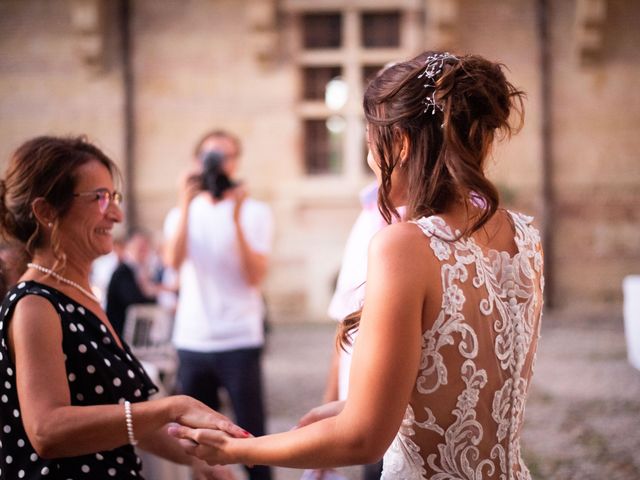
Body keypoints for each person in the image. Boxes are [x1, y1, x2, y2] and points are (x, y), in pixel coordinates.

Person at [169, 51, 545, 479]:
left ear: (399, 144)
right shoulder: (525, 237)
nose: (371, 162)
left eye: (369, 144)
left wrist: (242, 448)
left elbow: (363, 438)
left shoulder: (403, 246)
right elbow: (468, 384)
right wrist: (352, 403)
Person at [0, 135, 246, 480]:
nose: (116, 214)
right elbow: (47, 430)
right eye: (98, 198)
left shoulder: (79, 295)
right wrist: (172, 407)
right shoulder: (35, 304)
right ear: (46, 212)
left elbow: (123, 422)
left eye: (113, 197)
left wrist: (203, 460)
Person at [164, 129, 274, 480]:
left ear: (235, 163)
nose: (217, 165)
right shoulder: (181, 213)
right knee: (195, 441)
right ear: (196, 163)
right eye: (210, 157)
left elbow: (255, 275)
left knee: (253, 437)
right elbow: (172, 261)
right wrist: (184, 204)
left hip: (239, 338)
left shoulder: (255, 211)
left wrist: (237, 216)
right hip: (193, 339)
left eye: (224, 157)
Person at [106, 228, 161, 337]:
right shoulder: (123, 271)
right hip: (120, 332)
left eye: (145, 248)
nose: (143, 251)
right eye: (139, 247)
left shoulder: (143, 271)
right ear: (129, 247)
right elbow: (134, 300)